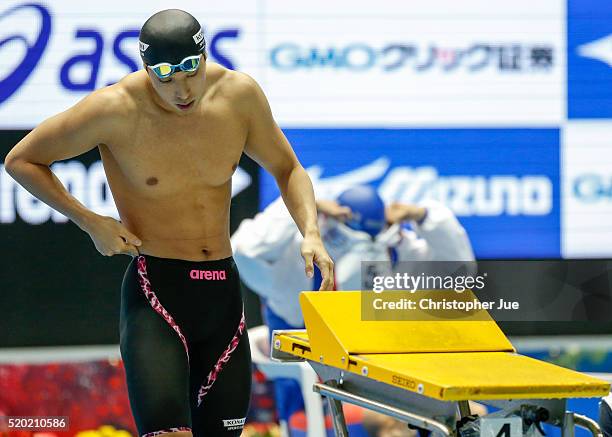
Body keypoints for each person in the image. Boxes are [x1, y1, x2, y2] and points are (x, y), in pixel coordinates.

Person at [4, 9, 333, 437]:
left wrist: (310, 231)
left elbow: (289, 169)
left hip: (223, 296)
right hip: (157, 297)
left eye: (189, 72)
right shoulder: (114, 108)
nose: (181, 90)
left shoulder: (238, 96)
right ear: (145, 70)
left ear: (204, 56)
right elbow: (21, 160)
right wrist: (88, 220)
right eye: (164, 77)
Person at [232, 184, 475, 429]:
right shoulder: (298, 261)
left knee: (470, 413)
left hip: (384, 388)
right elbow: (244, 251)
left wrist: (424, 215)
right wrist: (303, 206)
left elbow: (458, 273)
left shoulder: (395, 251)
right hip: (314, 405)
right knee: (391, 422)